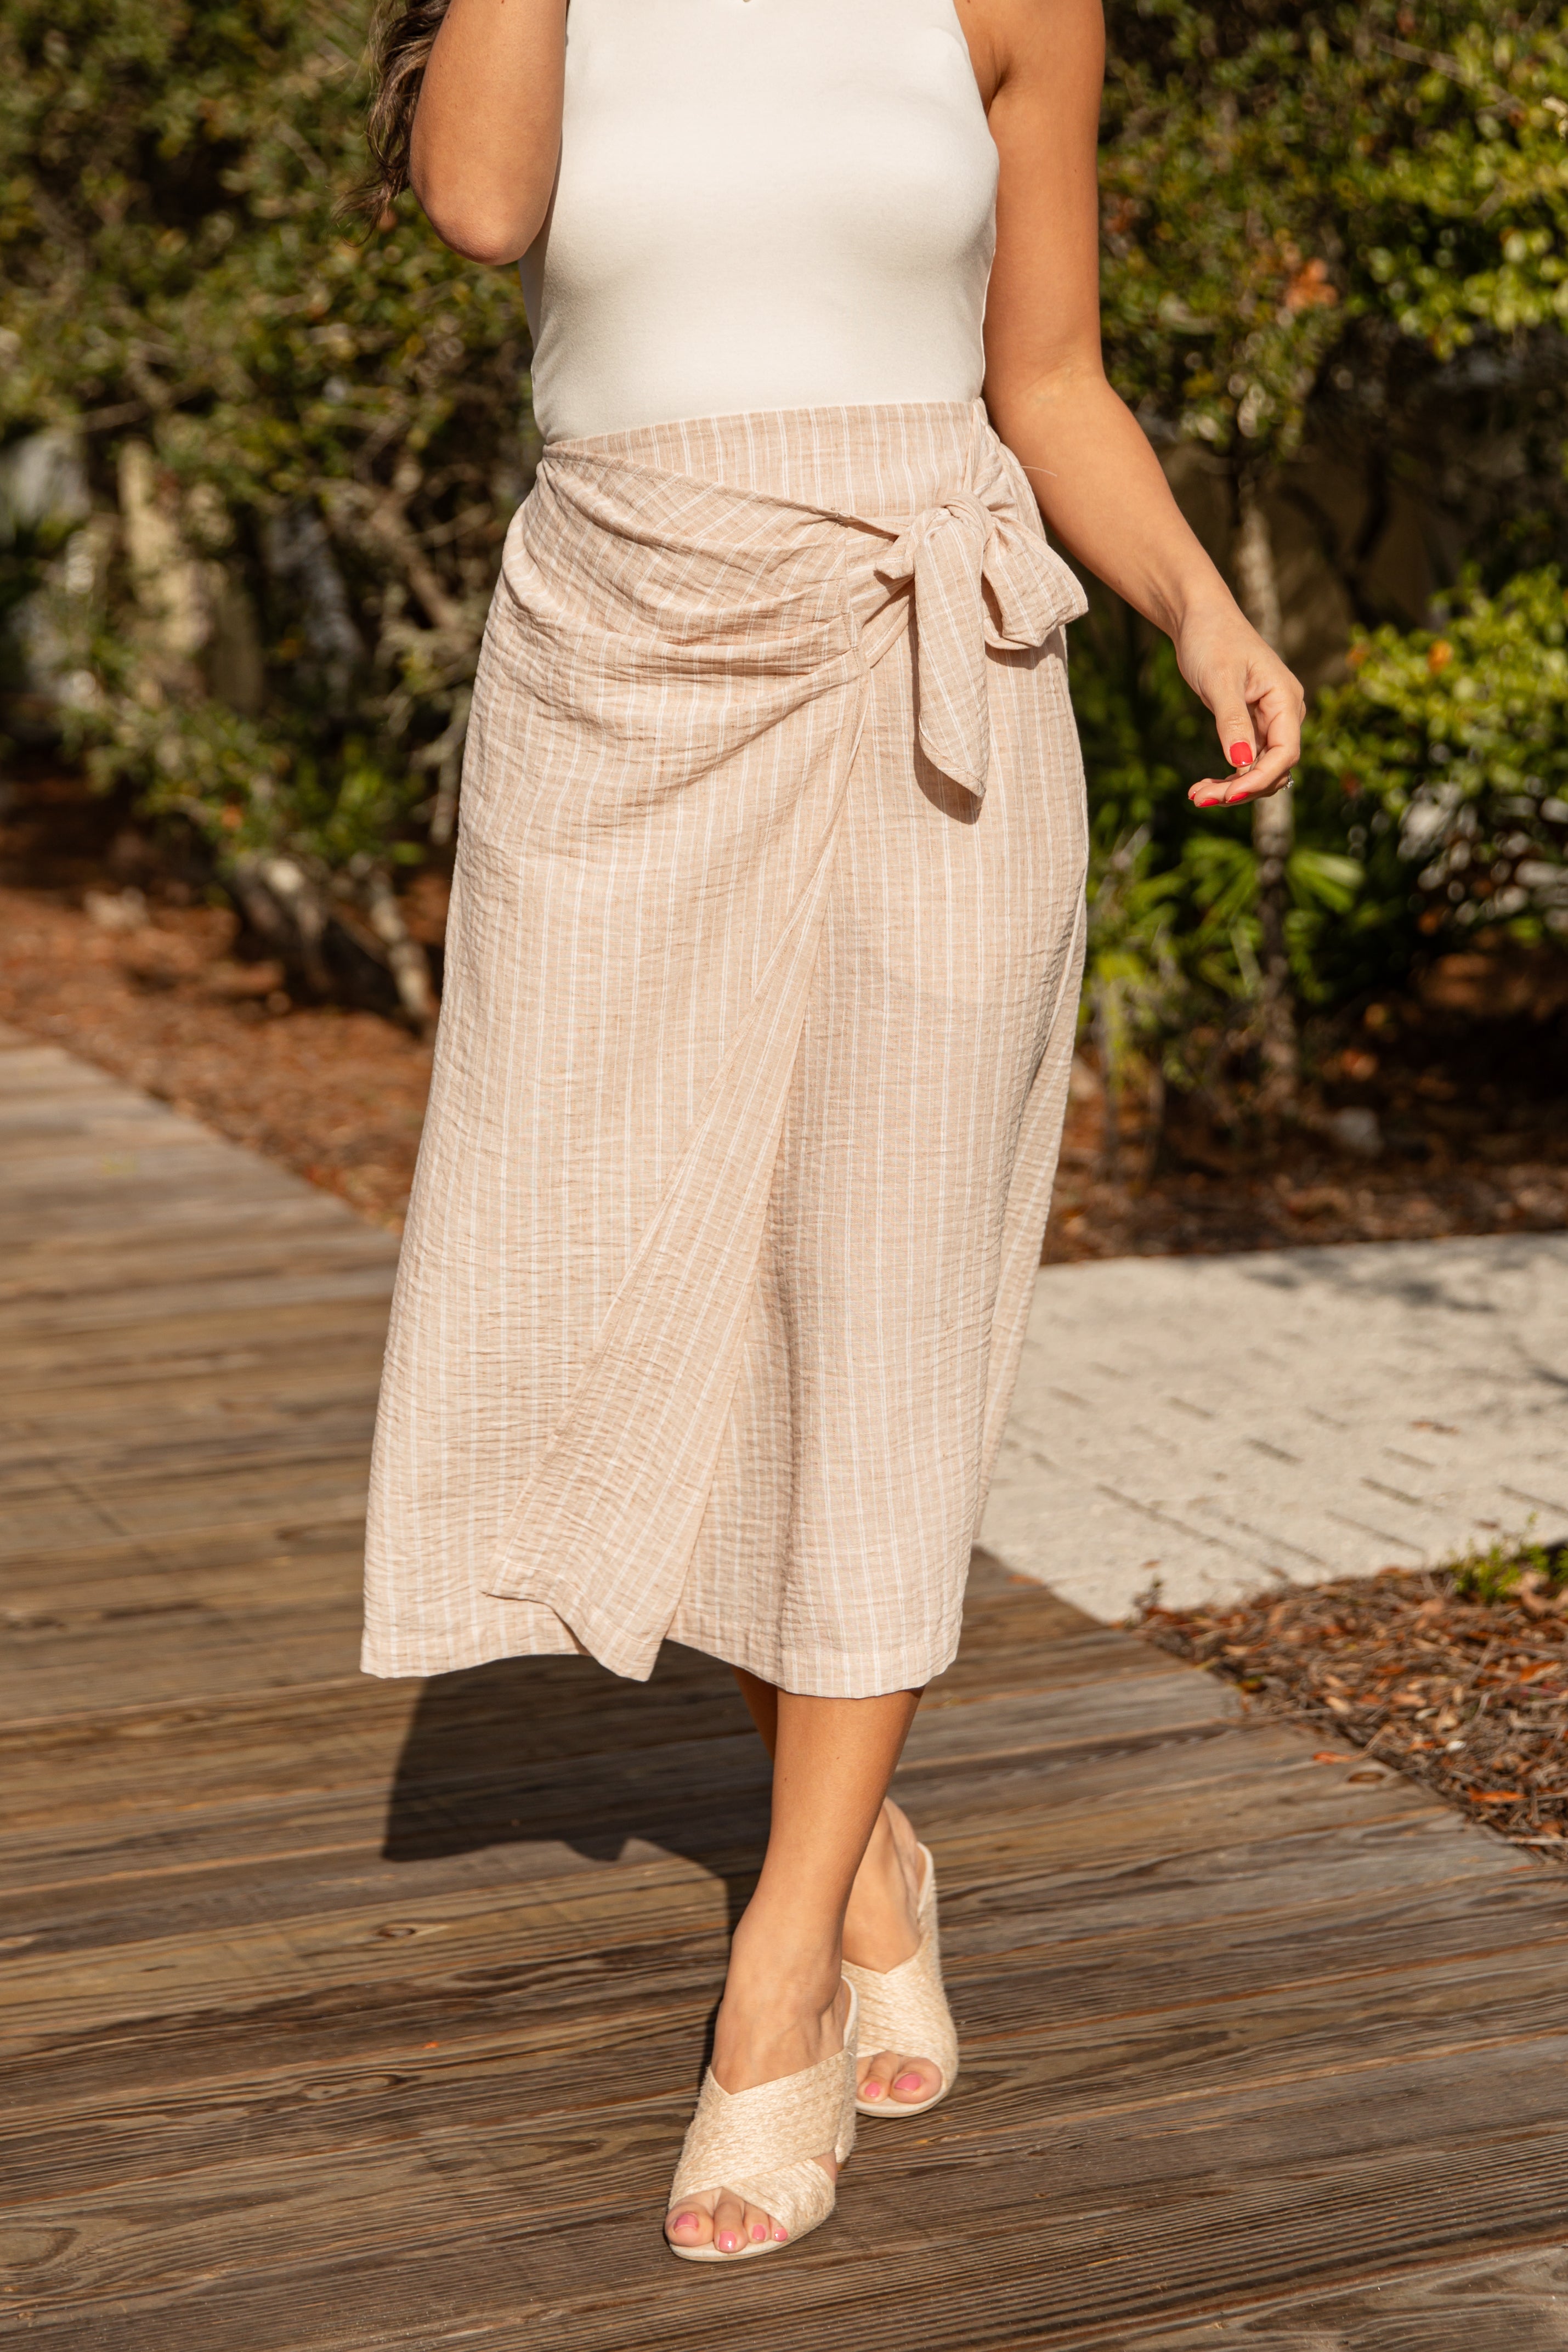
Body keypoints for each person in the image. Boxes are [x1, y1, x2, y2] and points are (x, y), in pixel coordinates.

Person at [356, 0, 1303, 2264]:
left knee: (874, 1304)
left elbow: (1044, 376)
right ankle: (868, 1843)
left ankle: (779, 1958)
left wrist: (1195, 605)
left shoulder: (1009, 1)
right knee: (603, 1278)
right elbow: (485, 204)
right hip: (619, 666)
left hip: (934, 667)